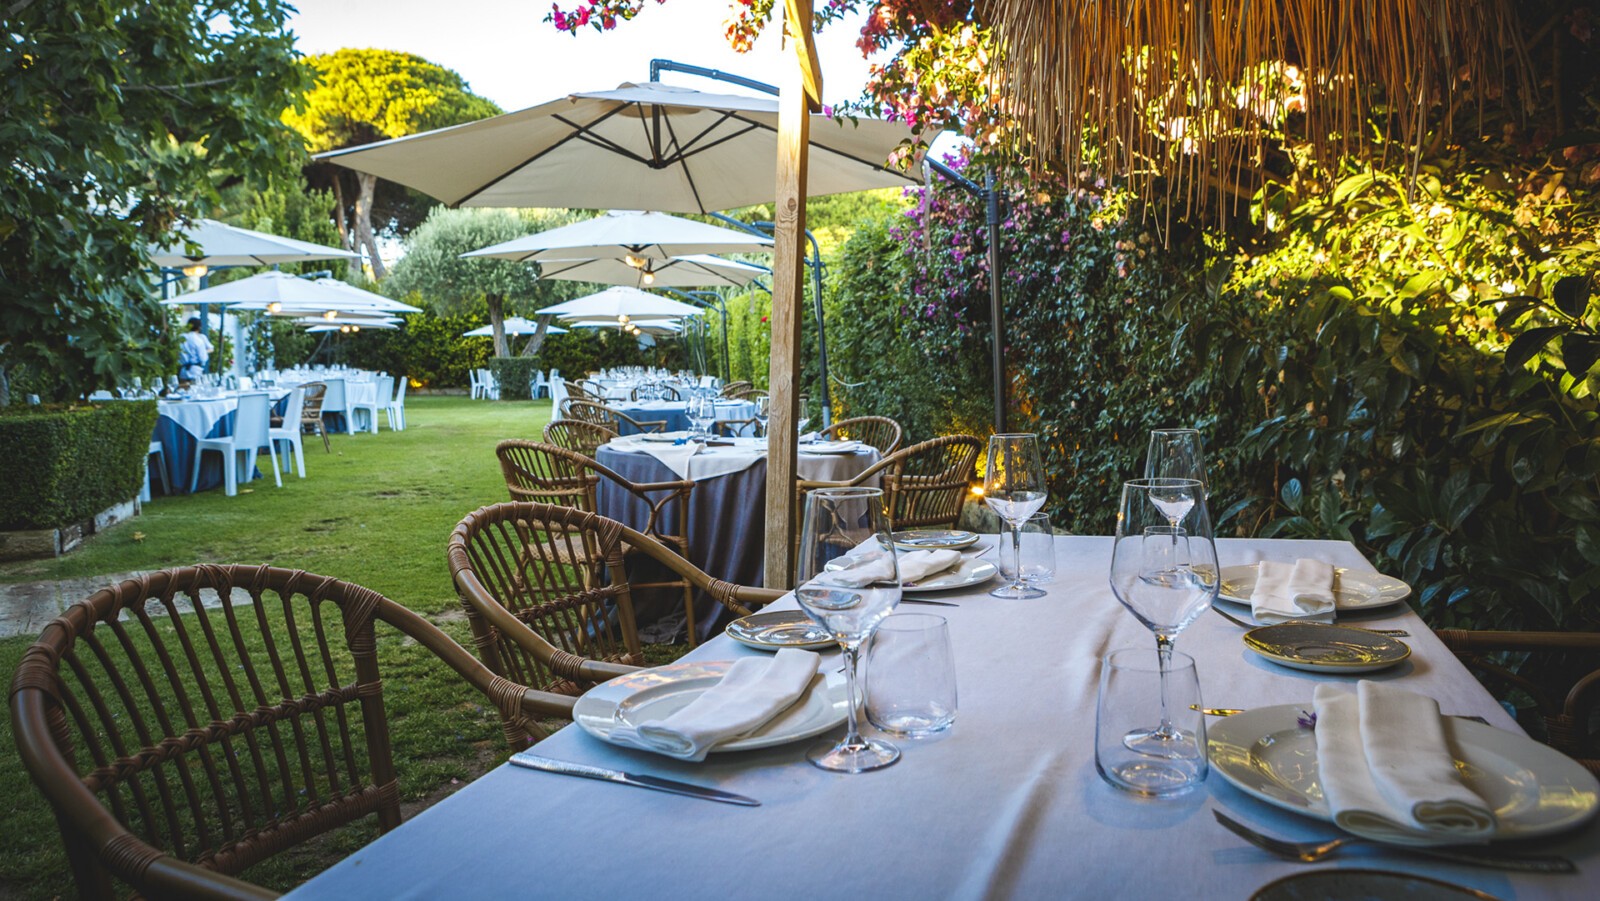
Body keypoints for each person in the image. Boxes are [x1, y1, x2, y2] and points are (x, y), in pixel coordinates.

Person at [178, 317, 212, 383]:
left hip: (183, 370)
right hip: (196, 370)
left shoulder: (181, 337)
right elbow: (203, 358)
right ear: (199, 327)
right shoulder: (199, 339)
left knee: (183, 390)